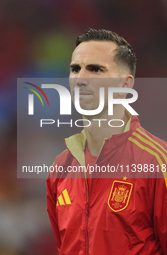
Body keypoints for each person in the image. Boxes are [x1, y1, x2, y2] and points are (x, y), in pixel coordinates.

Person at [46, 28, 167, 255]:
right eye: (75, 69)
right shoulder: (60, 168)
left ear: (126, 84)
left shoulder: (157, 162)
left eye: (95, 69)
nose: (80, 79)